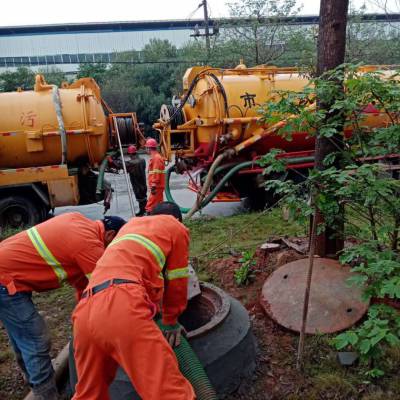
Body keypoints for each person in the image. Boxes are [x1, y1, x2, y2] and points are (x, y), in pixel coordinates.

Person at [72, 202, 195, 400]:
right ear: (177, 219)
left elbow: (132, 269)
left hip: (85, 311)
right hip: (122, 305)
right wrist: (171, 320)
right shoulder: (175, 227)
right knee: (169, 393)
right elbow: (178, 279)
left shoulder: (130, 227)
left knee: (89, 394)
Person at [0, 212, 126, 400]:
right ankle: (46, 394)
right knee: (35, 340)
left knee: (22, 334)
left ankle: (33, 376)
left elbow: (85, 287)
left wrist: (83, 321)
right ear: (109, 235)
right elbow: (107, 291)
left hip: (9, 271)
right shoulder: (89, 245)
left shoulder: (79, 223)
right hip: (5, 280)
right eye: (114, 245)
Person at [110, 145, 147, 216]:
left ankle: (144, 211)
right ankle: (143, 211)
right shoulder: (142, 160)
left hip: (137, 183)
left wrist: (113, 161)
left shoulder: (133, 163)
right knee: (143, 197)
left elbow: (123, 164)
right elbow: (128, 165)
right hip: (142, 182)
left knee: (140, 197)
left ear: (130, 154)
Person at [145, 138, 166, 213]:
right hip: (158, 186)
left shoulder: (156, 158)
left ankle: (150, 221)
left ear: (149, 148)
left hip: (157, 187)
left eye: (146, 147)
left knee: (150, 206)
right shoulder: (156, 157)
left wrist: (153, 185)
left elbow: (156, 172)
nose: (146, 149)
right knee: (159, 205)